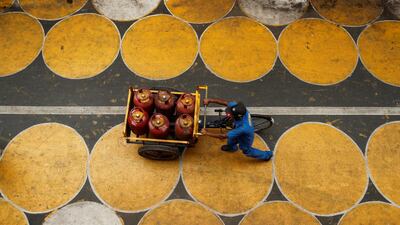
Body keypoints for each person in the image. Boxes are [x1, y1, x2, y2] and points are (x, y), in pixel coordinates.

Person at [201, 98, 273, 161]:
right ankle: (231, 147)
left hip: (245, 136)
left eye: (230, 114)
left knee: (247, 150)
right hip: (238, 127)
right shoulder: (237, 108)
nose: (227, 113)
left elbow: (222, 136)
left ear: (237, 117)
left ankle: (267, 155)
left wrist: (206, 133)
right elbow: (225, 103)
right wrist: (210, 100)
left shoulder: (243, 128)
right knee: (231, 139)